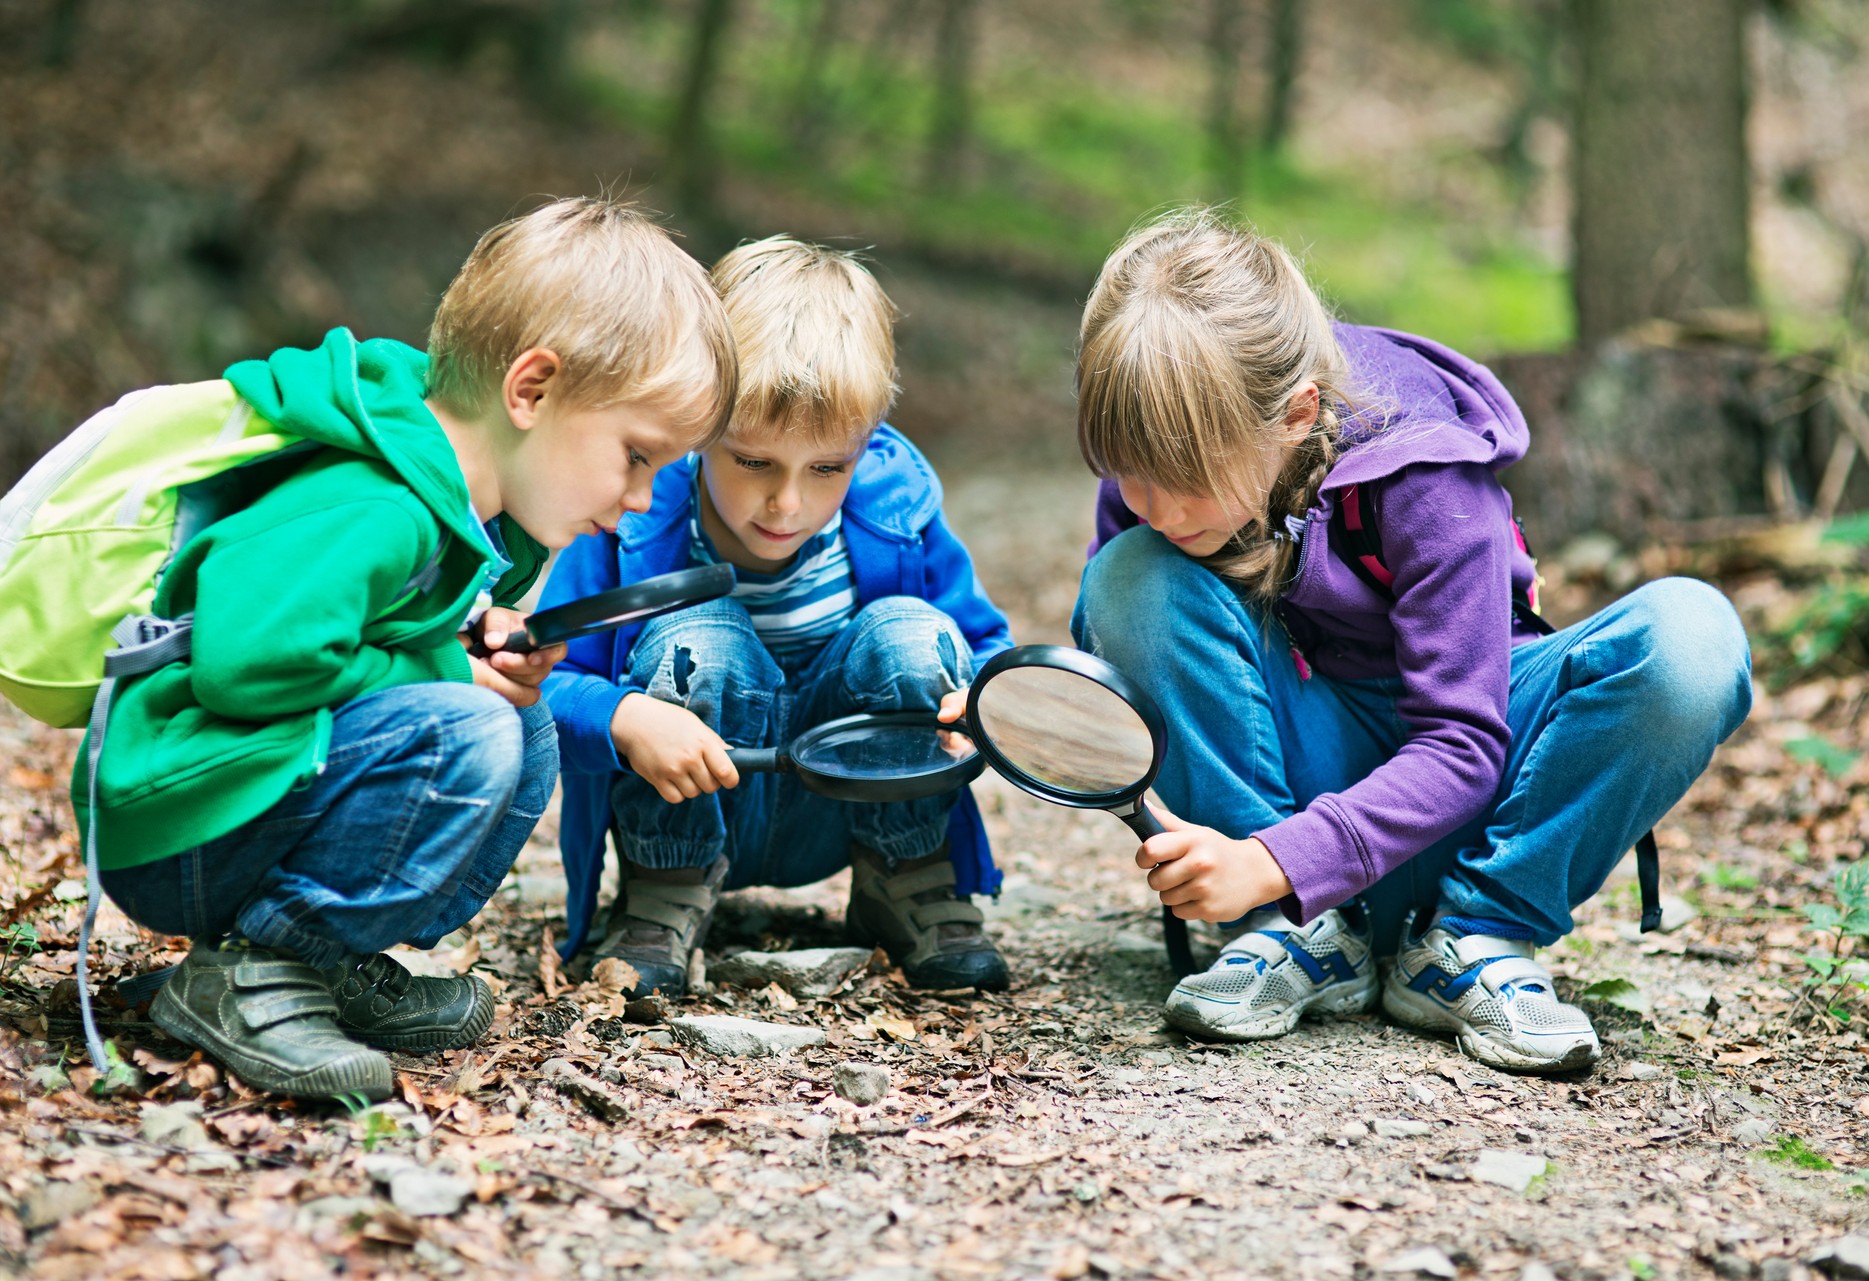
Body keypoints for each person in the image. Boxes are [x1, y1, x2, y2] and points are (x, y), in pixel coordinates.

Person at [79, 197, 737, 1099]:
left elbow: (371, 642)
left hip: (241, 799)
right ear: (532, 390)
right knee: (468, 729)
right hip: (181, 821)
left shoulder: (448, 508)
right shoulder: (376, 501)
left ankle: (314, 959)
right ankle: (251, 970)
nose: (640, 497)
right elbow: (249, 663)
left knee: (522, 723)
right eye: (636, 455)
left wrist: (465, 642)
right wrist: (443, 669)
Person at [1070, 208, 1752, 1073]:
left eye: (1185, 482)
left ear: (1295, 414)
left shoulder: (1425, 475)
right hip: (1289, 819)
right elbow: (1131, 675)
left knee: (1693, 637)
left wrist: (1274, 859)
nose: (1155, 507)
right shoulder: (1157, 491)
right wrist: (1030, 712)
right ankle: (1293, 939)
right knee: (1129, 576)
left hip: (1471, 808)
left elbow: (1464, 744)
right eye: (1130, 473)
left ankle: (1476, 939)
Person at [545, 236, 1013, 998]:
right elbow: (549, 684)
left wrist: (984, 700)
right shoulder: (635, 518)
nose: (788, 503)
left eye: (827, 467)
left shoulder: (896, 511)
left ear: (865, 444)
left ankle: (905, 877)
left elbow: (986, 647)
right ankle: (666, 890)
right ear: (698, 429)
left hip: (844, 802)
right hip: (692, 797)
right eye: (753, 461)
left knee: (912, 632)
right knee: (699, 634)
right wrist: (625, 716)